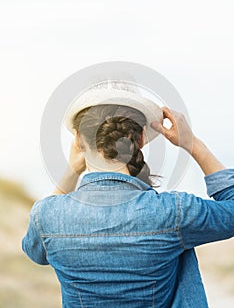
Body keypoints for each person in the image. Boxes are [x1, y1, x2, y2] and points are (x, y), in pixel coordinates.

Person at [22, 80, 234, 308]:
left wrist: (71, 172)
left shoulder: (47, 216)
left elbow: (35, 251)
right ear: (141, 138)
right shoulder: (174, 211)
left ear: (78, 142)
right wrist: (193, 144)